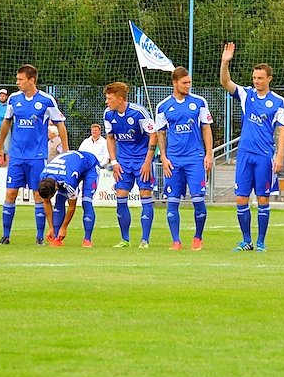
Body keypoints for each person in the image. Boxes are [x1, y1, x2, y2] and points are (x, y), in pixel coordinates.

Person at [220, 42, 284, 252]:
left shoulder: (277, 101)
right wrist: (225, 62)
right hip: (245, 154)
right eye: (254, 78)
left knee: (263, 198)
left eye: (260, 78)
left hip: (264, 156)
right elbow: (226, 82)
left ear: (269, 78)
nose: (256, 81)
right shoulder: (245, 94)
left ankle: (261, 242)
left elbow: (283, 129)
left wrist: (279, 157)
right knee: (241, 197)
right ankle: (246, 240)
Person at [0, 64, 68, 245]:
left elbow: (60, 124)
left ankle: (39, 237)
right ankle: (5, 236)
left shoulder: (46, 100)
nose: (17, 82)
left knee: (39, 195)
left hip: (37, 156)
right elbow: (6, 123)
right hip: (17, 155)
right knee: (11, 193)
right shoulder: (13, 99)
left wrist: (65, 151)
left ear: (31, 80)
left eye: (20, 79)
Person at [155, 66, 214, 251]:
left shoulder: (199, 102)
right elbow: (161, 134)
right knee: (172, 200)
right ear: (175, 83)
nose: (188, 85)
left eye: (189, 82)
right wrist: (163, 157)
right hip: (173, 160)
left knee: (198, 199)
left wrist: (209, 153)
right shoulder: (163, 106)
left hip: (195, 158)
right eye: (184, 83)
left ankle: (198, 237)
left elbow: (206, 128)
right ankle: (176, 241)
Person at [103, 82, 157, 248]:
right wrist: (114, 161)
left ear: (120, 99)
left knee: (145, 194)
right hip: (123, 162)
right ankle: (125, 239)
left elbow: (153, 135)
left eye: (109, 98)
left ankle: (144, 240)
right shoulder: (108, 114)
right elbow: (110, 137)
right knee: (120, 195)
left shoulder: (139, 113)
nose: (106, 102)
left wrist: (148, 162)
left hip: (142, 160)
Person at [37, 150, 99, 247]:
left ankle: (87, 240)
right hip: (71, 168)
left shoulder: (68, 182)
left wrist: (64, 227)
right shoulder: (43, 178)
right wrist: (51, 227)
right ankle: (56, 238)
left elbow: (72, 206)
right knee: (59, 200)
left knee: (86, 201)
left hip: (89, 165)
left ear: (56, 188)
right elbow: (46, 201)